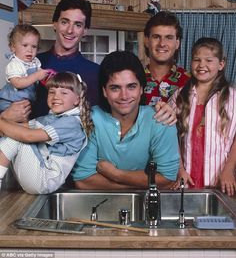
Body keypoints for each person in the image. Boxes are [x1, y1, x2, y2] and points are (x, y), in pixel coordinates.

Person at [72, 51, 180, 189]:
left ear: (141, 89)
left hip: (146, 207)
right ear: (104, 91)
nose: (124, 96)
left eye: (131, 87)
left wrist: (116, 174)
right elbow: (83, 181)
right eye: (115, 88)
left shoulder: (161, 119)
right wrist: (141, 185)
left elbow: (166, 179)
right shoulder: (89, 118)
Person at [0, 72, 93, 194]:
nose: (56, 96)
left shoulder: (71, 123)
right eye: (52, 92)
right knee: (13, 134)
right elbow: (16, 128)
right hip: (36, 175)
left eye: (64, 93)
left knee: (17, 137)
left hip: (45, 180)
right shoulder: (50, 118)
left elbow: (28, 135)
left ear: (77, 99)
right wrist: (4, 119)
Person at [169, 37, 236, 196]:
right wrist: (179, 170)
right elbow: (168, 136)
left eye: (209, 60)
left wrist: (228, 170)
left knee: (217, 221)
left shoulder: (232, 98)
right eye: (196, 60)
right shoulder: (179, 96)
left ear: (221, 64)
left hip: (220, 182)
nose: (201, 65)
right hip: (186, 180)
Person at [32, 0, 100, 118]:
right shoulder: (33, 63)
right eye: (65, 22)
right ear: (55, 24)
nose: (70, 30)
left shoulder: (96, 73)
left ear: (85, 30)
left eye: (78, 25)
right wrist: (8, 113)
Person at [143, 10, 190, 106]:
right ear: (147, 41)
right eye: (156, 37)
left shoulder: (190, 81)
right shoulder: (134, 79)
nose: (162, 43)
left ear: (177, 43)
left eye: (168, 37)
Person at [0, 24, 48, 112]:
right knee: (10, 121)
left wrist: (47, 76)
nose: (30, 50)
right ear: (13, 47)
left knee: (24, 119)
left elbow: (41, 74)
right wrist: (36, 76)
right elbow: (17, 83)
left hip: (26, 100)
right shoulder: (14, 64)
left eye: (34, 46)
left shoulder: (35, 62)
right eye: (25, 45)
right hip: (9, 101)